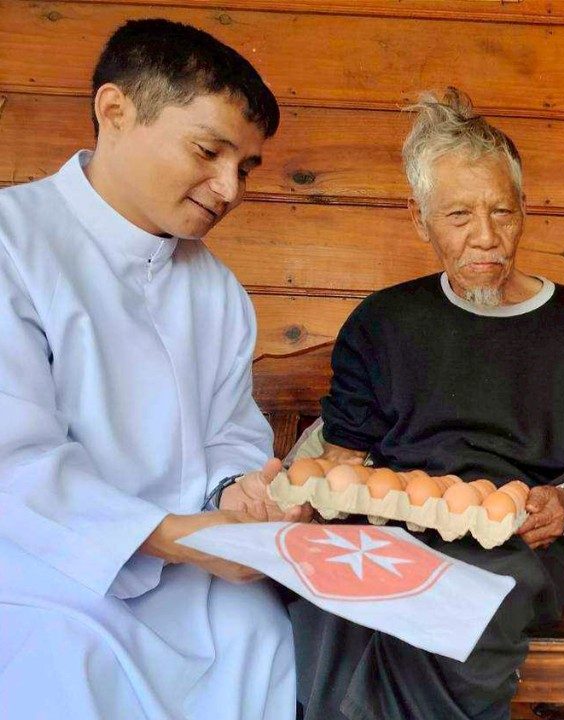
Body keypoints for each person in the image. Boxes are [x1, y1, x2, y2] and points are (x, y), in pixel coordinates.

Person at [290, 88, 564, 720]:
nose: (486, 238)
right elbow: (344, 458)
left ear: (524, 209)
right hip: (395, 530)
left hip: (516, 542)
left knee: (462, 599)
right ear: (419, 217)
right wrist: (315, 499)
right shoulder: (383, 323)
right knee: (332, 595)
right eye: (459, 215)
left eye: (502, 212)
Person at [0, 18, 306, 719]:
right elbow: (13, 463)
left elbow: (229, 434)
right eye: (208, 150)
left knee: (260, 636)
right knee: (66, 658)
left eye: (246, 168)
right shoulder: (13, 243)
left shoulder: (215, 288)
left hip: (187, 569)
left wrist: (237, 494)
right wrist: (174, 538)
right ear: (116, 111)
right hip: (38, 566)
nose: (228, 188)